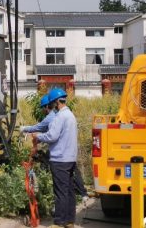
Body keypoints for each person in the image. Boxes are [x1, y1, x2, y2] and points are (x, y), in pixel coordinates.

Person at [21, 94, 89, 202]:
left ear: (46, 107)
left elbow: (45, 132)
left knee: (60, 187)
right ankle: (83, 193)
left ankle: (61, 210)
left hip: (60, 154)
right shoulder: (67, 114)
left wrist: (25, 129)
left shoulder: (53, 117)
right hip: (69, 152)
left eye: (43, 108)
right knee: (73, 173)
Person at [32, 88, 78, 228]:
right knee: (69, 190)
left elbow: (52, 136)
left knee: (60, 192)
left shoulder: (60, 117)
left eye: (52, 104)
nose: (52, 108)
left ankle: (59, 222)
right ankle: (69, 221)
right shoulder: (71, 115)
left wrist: (38, 137)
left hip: (60, 160)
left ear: (57, 102)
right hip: (70, 159)